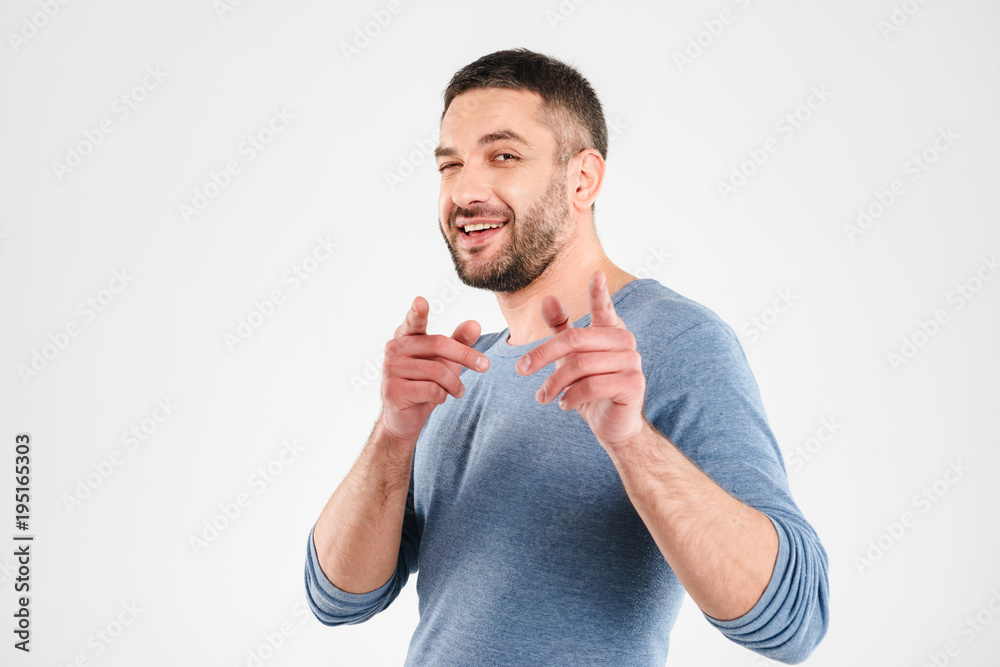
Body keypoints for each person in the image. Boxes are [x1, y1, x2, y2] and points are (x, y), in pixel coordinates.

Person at [305, 48, 829, 665]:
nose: (467, 189)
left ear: (582, 179)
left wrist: (631, 440)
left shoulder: (675, 342)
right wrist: (392, 436)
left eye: (504, 156)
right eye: (450, 165)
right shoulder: (460, 370)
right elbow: (339, 599)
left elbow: (795, 621)